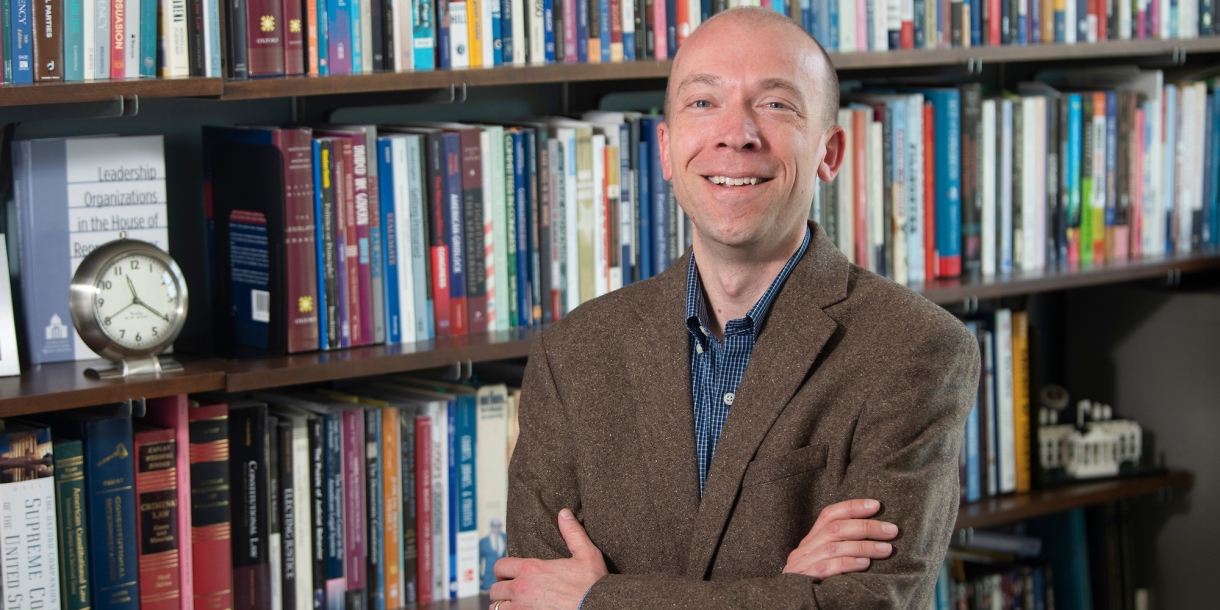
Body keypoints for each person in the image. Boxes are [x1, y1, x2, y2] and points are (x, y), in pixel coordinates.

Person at [490, 7, 981, 609]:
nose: (737, 133)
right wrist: (786, 592)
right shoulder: (574, 351)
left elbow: (863, 605)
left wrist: (599, 599)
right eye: (703, 103)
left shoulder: (916, 348)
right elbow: (531, 599)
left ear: (829, 152)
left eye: (776, 104)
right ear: (667, 151)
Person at [481, 520, 509, 591]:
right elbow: (478, 561)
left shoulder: (505, 537)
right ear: (491, 527)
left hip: (502, 577)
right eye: (495, 526)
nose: (497, 528)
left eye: (499, 526)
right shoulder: (484, 541)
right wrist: (479, 578)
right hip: (489, 577)